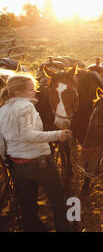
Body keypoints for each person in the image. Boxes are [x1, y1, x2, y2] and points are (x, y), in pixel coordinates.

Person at [0, 74, 73, 231]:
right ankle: (64, 228)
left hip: (17, 165)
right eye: (31, 89)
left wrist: (7, 160)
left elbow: (1, 141)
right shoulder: (26, 106)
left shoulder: (3, 109)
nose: (34, 92)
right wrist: (58, 135)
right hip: (40, 162)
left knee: (27, 205)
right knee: (58, 198)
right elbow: (28, 135)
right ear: (18, 92)